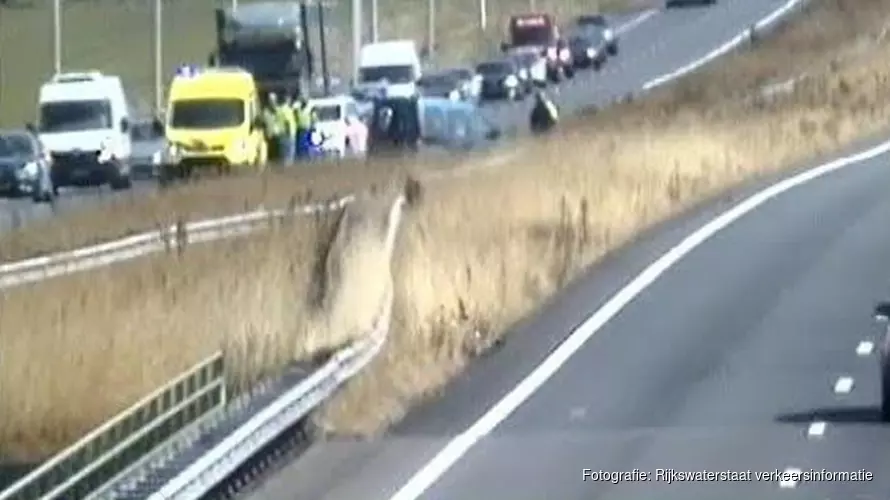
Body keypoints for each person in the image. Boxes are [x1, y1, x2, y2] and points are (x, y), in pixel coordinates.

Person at [262, 93, 283, 161]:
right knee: (270, 156)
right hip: (269, 136)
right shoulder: (265, 111)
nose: (272, 102)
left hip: (278, 136)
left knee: (278, 156)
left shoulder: (279, 110)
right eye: (270, 100)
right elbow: (264, 123)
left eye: (273, 100)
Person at [277, 95, 297, 163]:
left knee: (284, 153)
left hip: (282, 133)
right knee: (289, 154)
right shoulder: (286, 109)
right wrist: (288, 132)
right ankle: (289, 168)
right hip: (288, 134)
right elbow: (287, 121)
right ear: (286, 100)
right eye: (288, 99)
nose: (290, 101)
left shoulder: (279, 109)